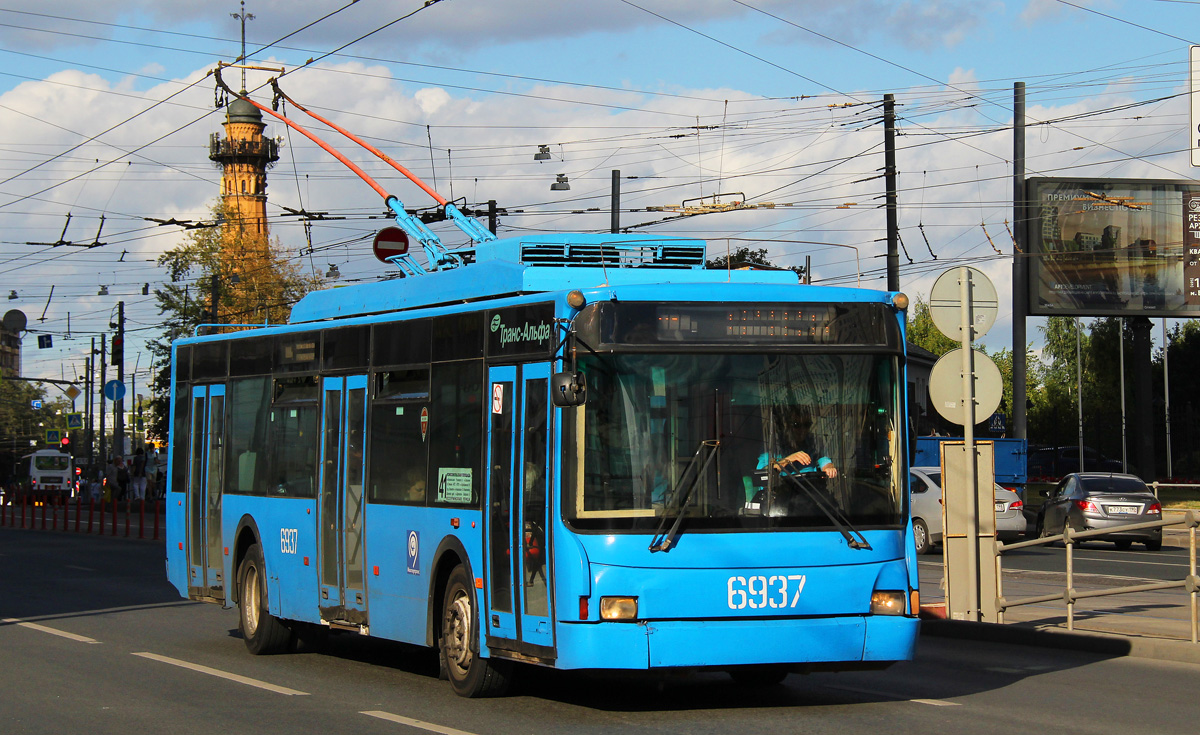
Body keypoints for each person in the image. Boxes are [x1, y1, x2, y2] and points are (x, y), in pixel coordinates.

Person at [759, 407, 838, 479]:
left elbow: (825, 462)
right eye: (797, 425)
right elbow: (762, 475)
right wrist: (788, 460)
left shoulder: (814, 444)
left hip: (811, 492)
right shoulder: (772, 446)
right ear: (787, 426)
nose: (802, 430)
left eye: (806, 425)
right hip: (782, 492)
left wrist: (829, 468)